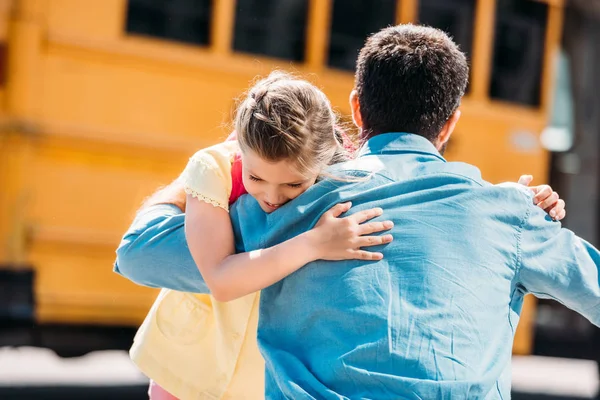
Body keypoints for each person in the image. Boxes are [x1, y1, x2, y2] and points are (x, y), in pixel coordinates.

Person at [115, 25, 591, 399]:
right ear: (450, 124)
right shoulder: (509, 216)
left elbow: (140, 254)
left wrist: (205, 176)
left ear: (357, 111)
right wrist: (511, 204)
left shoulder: (300, 209)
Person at [129, 72, 393, 400]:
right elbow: (221, 279)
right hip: (188, 367)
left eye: (293, 185)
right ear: (239, 145)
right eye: (256, 178)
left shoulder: (340, 183)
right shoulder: (213, 168)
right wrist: (314, 243)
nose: (271, 196)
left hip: (255, 378)